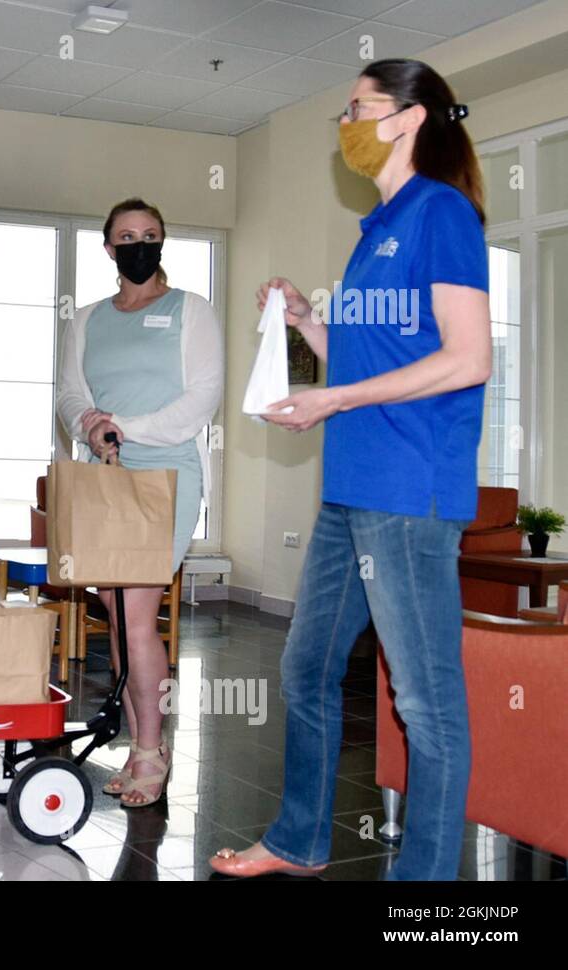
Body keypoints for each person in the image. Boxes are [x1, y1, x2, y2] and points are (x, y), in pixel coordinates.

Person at [210, 59, 490, 880]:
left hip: (409, 490)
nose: (346, 123)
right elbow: (368, 359)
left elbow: (467, 357)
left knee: (425, 703)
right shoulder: (378, 228)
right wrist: (306, 322)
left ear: (409, 119)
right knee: (305, 667)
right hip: (352, 488)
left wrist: (336, 401)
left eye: (359, 108)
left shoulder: (442, 213)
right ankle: (299, 840)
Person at [56, 198, 224, 807]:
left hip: (168, 475)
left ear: (161, 243)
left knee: (133, 616)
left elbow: (200, 401)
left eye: (149, 235)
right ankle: (142, 742)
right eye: (126, 236)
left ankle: (150, 750)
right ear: (108, 248)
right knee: (115, 611)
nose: (138, 244)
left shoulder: (191, 311)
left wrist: (122, 422)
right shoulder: (89, 320)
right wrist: (92, 427)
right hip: (108, 471)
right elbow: (71, 395)